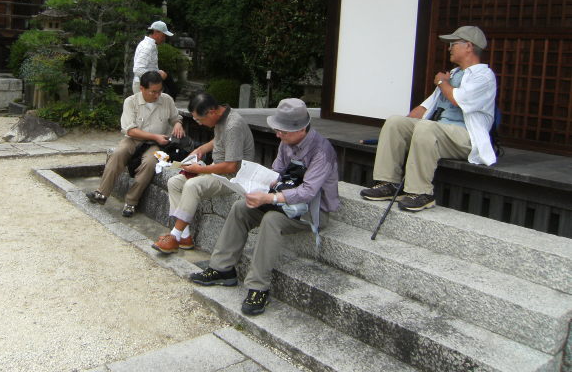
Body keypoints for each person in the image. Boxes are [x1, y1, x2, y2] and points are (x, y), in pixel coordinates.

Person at [189, 98, 339, 316]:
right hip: (283, 201)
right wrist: (253, 185)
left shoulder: (322, 152)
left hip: (311, 211)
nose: (278, 135)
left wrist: (269, 198)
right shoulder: (286, 142)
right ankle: (222, 269)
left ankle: (258, 287)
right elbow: (276, 172)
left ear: (301, 129)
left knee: (271, 220)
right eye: (278, 130)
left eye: (283, 132)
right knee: (240, 207)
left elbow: (307, 192)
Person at [360, 25, 497, 211]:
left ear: (469, 46)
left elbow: (457, 99)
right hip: (440, 132)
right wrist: (404, 127)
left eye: (453, 44)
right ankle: (388, 183)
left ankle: (420, 193)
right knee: (395, 122)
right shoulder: (453, 74)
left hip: (466, 137)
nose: (449, 48)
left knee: (426, 127)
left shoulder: (484, 76)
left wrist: (441, 82)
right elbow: (425, 107)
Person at [151, 92, 255, 254]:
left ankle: (174, 236)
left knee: (192, 185)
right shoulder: (223, 116)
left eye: (199, 119)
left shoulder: (233, 125)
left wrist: (200, 169)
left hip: (232, 178)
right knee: (174, 182)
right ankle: (184, 236)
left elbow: (231, 167)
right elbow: (219, 140)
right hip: (217, 169)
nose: (199, 124)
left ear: (211, 112)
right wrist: (200, 149)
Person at [86, 70, 184, 217]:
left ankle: (131, 202)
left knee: (150, 163)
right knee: (118, 154)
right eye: (153, 92)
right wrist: (155, 136)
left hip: (155, 144)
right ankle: (101, 193)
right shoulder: (131, 102)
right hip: (133, 139)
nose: (157, 95)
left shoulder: (167, 100)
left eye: (160, 91)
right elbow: (130, 130)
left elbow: (176, 117)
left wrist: (178, 124)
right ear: (142, 88)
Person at [132, 20, 173, 95]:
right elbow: (138, 69)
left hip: (146, 84)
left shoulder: (149, 45)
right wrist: (157, 76)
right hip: (145, 86)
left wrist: (157, 72)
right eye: (163, 36)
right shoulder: (147, 47)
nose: (164, 39)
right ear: (156, 32)